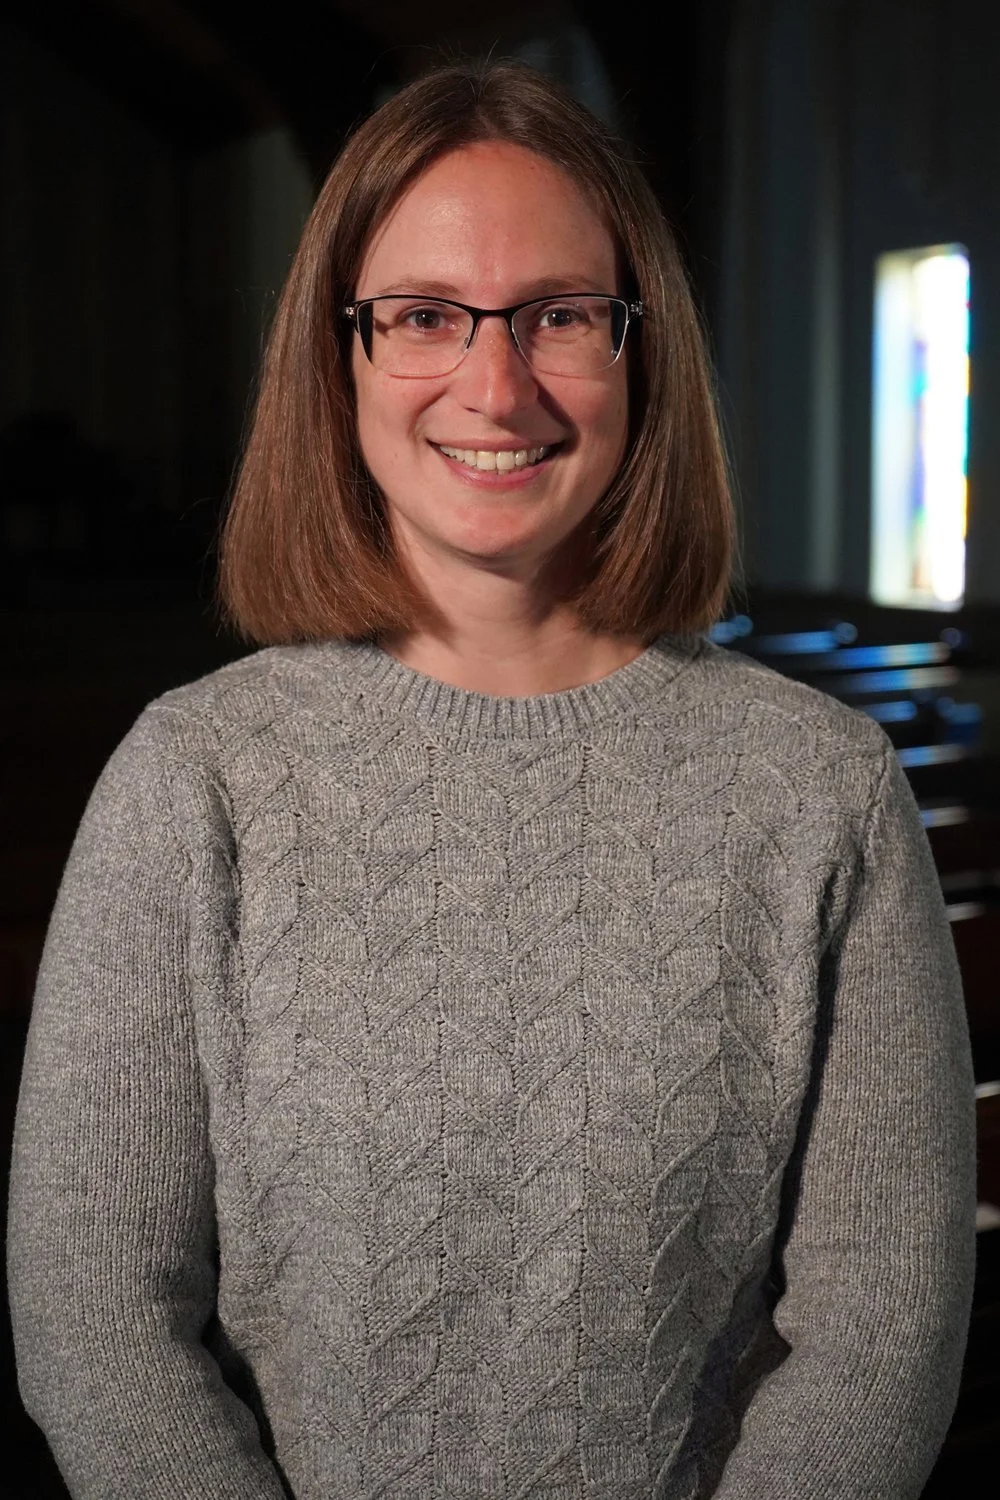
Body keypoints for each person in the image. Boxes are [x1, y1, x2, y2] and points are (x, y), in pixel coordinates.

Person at [7, 57, 976, 1500]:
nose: (496, 381)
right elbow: (97, 1326)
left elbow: (881, 1333)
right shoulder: (193, 780)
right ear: (340, 356)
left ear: (640, 347)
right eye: (422, 317)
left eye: (562, 316)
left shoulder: (818, 786)